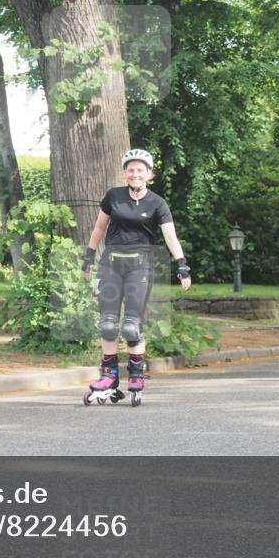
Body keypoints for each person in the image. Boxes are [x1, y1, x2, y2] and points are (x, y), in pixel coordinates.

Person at [80, 149, 191, 406]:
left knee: (131, 325)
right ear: (125, 173)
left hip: (140, 267)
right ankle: (108, 376)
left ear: (149, 174)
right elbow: (99, 228)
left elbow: (170, 236)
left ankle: (137, 374)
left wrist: (182, 265)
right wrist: (88, 257)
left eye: (141, 170)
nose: (135, 174)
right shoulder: (113, 196)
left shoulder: (157, 203)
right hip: (110, 264)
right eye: (131, 169)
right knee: (107, 323)